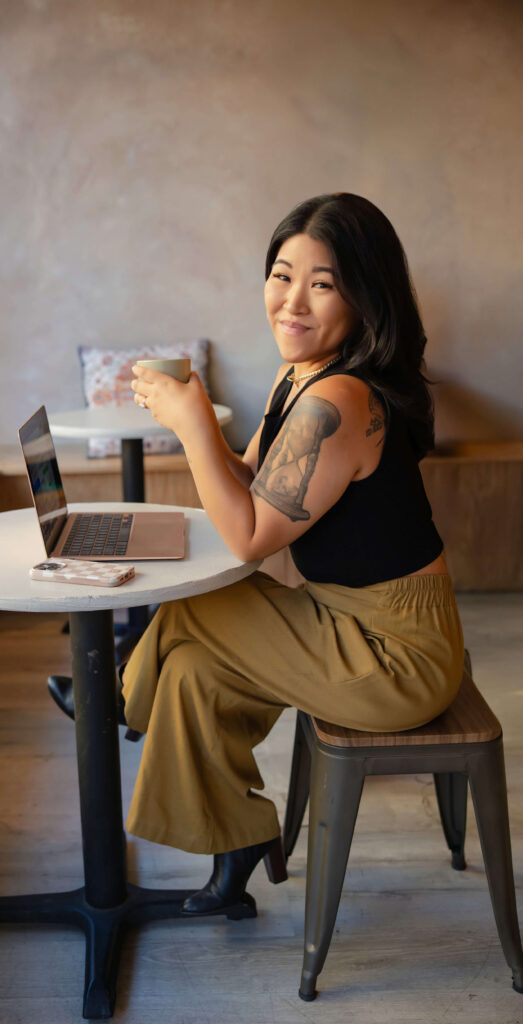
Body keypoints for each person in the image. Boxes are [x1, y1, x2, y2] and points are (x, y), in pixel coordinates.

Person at [124, 192, 464, 916]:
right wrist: (202, 428)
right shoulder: (299, 378)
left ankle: (114, 704)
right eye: (282, 275)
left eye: (323, 282)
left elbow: (248, 536)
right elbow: (254, 487)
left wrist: (190, 424)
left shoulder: (337, 400)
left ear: (365, 296)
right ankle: (236, 839)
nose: (292, 301)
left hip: (396, 653)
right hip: (340, 617)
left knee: (196, 606)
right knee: (187, 669)